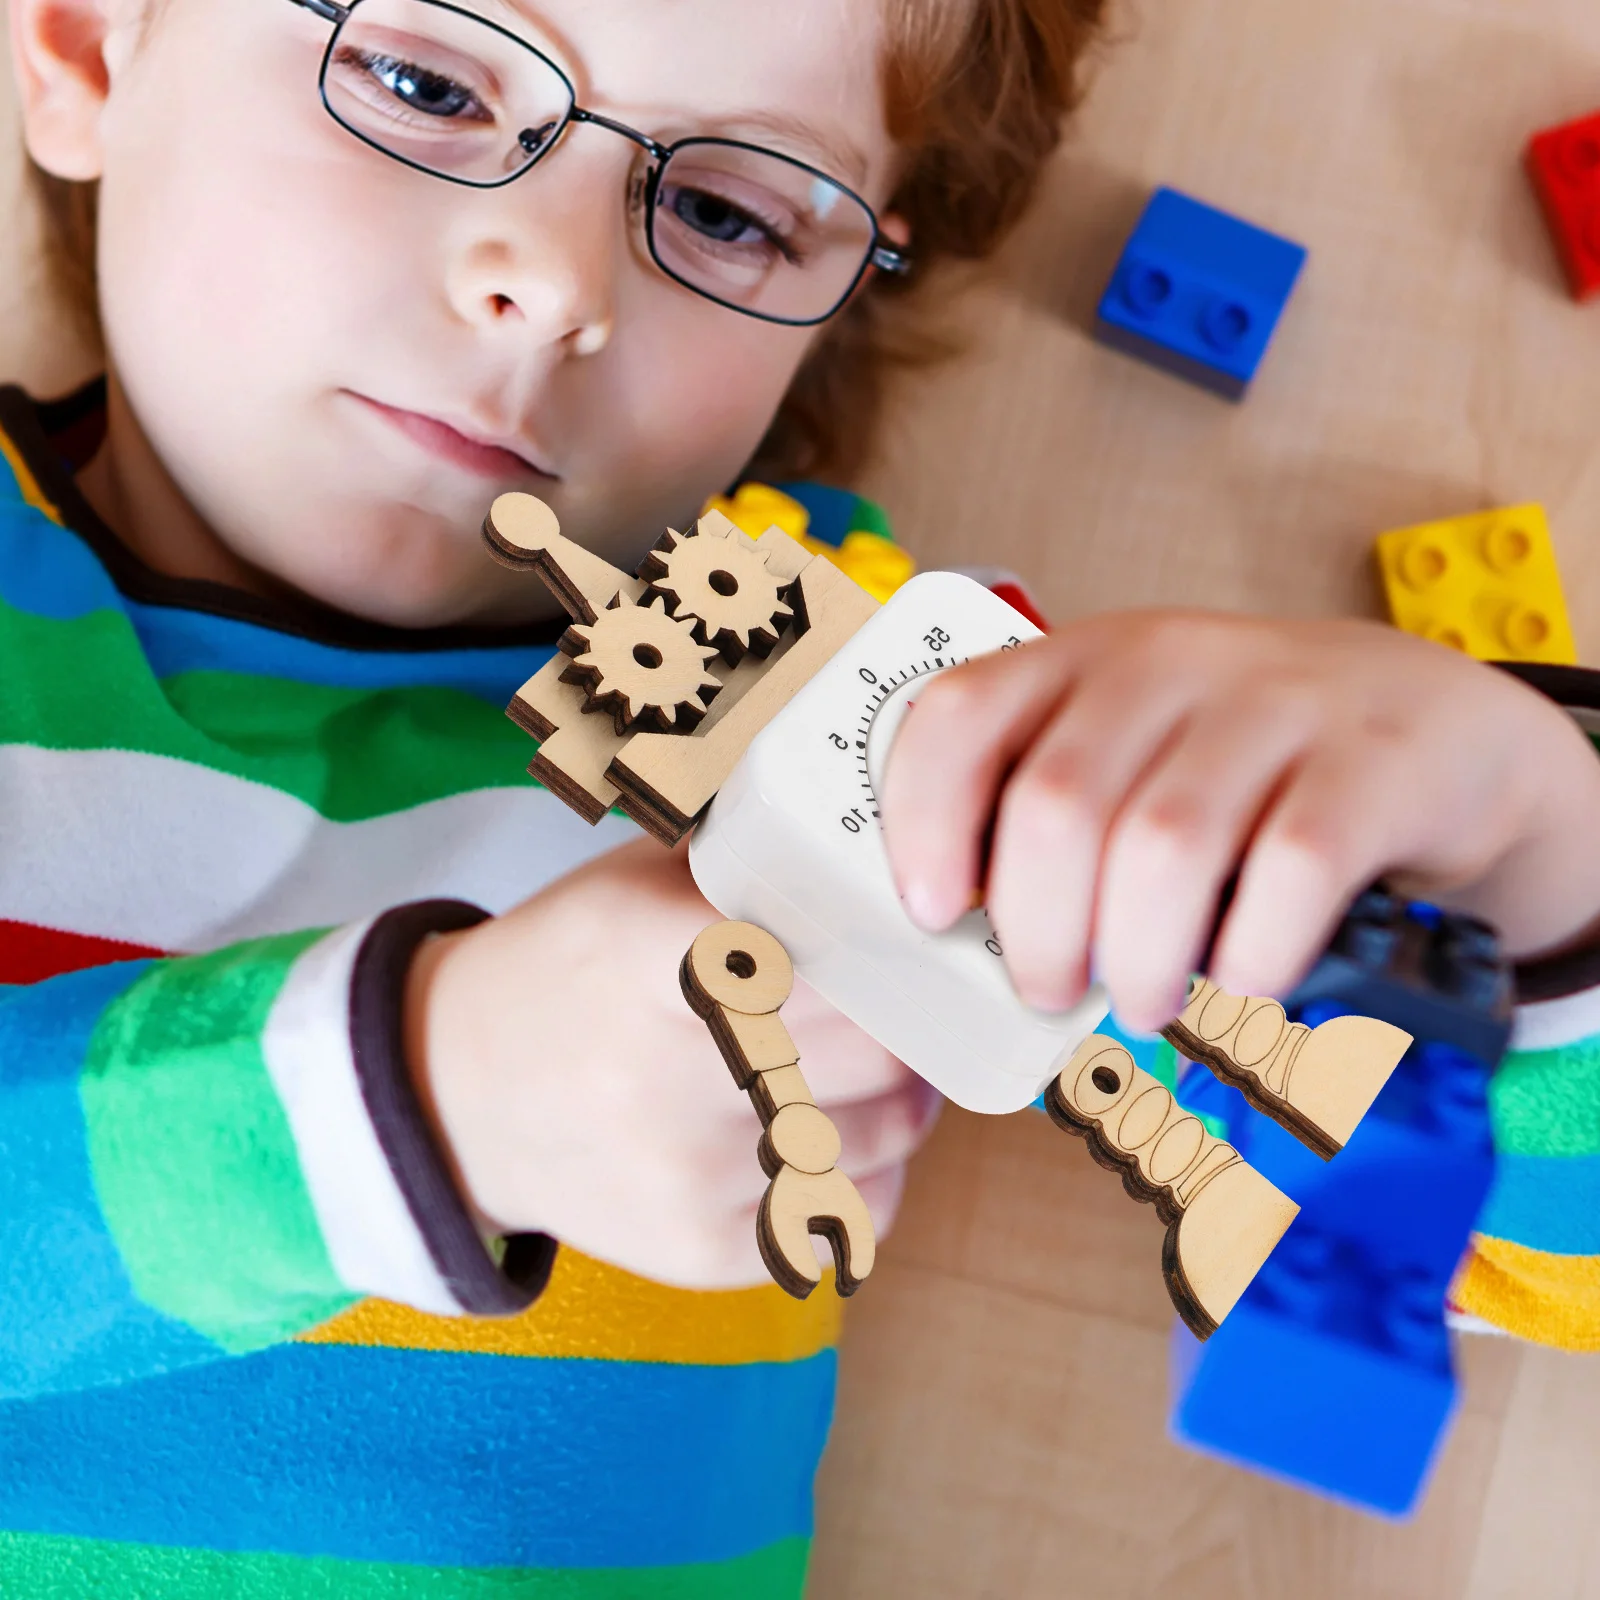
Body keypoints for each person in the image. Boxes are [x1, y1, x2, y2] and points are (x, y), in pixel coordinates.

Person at [1, 0, 1106, 1591]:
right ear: (93, 46)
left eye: (728, 212)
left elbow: (1511, 1229)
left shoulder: (832, 679)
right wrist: (414, 1101)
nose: (558, 286)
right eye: (425, 79)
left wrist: (1526, 863)